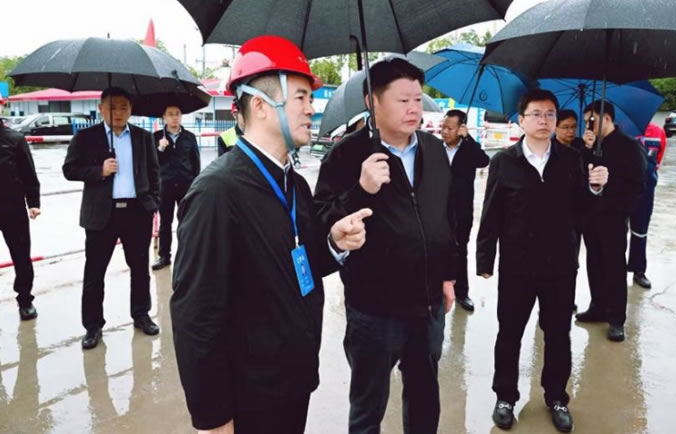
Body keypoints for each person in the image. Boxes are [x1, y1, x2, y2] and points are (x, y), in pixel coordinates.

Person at [170, 35, 371, 434]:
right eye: (301, 97)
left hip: (292, 381)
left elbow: (300, 264)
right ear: (261, 105)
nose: (311, 108)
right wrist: (213, 418)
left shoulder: (294, 184)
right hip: (248, 397)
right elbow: (195, 316)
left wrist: (333, 243)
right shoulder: (217, 192)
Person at [314, 58, 457, 434]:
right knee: (368, 406)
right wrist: (361, 189)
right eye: (402, 100)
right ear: (371, 102)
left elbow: (446, 219)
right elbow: (322, 222)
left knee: (424, 397)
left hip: (427, 304)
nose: (414, 109)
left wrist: (448, 276)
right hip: (374, 310)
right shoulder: (346, 155)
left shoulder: (433, 149)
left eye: (417, 99)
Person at [476, 89, 608, 433]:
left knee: (558, 334)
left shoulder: (571, 160)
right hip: (517, 266)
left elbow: (583, 212)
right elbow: (491, 213)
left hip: (560, 265)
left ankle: (557, 397)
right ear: (521, 120)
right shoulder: (504, 161)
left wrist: (595, 189)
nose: (544, 120)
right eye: (536, 114)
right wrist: (484, 259)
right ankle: (505, 397)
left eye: (550, 114)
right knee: (510, 333)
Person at [63, 87, 161, 350]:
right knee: (95, 271)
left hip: (136, 212)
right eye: (112, 107)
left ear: (131, 109)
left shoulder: (143, 137)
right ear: (100, 108)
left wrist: (153, 202)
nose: (118, 112)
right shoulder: (86, 137)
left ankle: (141, 314)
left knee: (140, 268)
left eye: (123, 107)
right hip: (101, 215)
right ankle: (93, 325)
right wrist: (100, 170)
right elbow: (69, 169)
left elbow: (154, 172)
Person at [575, 100, 646, 343]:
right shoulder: (591, 145)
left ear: (606, 118)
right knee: (594, 263)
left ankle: (616, 318)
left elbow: (637, 185)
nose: (588, 126)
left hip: (614, 217)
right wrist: (586, 149)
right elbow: (581, 174)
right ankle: (598, 306)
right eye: (586, 121)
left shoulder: (629, 146)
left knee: (614, 266)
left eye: (591, 120)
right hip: (590, 215)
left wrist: (610, 182)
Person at [0, 84, 41, 328]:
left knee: (21, 256)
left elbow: (29, 174)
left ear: (1, 106)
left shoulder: (15, 139)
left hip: (12, 208)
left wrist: (33, 202)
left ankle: (25, 300)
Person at [440, 109, 490, 311]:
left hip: (461, 210)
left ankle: (462, 292)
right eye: (443, 127)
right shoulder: (435, 148)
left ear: (461, 128)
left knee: (460, 250)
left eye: (450, 128)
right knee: (435, 248)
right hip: (437, 209)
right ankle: (435, 288)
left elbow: (484, 161)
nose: (445, 132)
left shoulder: (469, 149)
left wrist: (468, 139)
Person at [151, 105, 201, 271]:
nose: (174, 117)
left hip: (186, 185)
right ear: (164, 117)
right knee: (165, 222)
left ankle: (188, 255)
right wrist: (160, 148)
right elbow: (152, 163)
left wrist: (196, 185)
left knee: (187, 222)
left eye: (177, 114)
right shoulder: (156, 137)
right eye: (170, 114)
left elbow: (196, 163)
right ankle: (164, 256)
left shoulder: (189, 137)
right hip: (165, 186)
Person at [628, 123, 667, 289]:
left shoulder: (658, 132)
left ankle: (638, 270)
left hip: (645, 190)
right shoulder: (622, 129)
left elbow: (658, 159)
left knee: (640, 231)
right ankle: (615, 269)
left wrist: (649, 177)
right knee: (616, 232)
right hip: (622, 190)